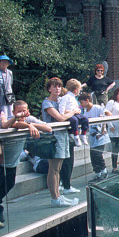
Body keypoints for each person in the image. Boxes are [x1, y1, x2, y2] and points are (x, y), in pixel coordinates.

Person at [0, 100, 52, 227]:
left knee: (9, 184)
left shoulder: (29, 119)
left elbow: (48, 128)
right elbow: (15, 125)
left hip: (12, 163)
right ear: (13, 112)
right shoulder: (10, 120)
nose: (22, 114)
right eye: (19, 111)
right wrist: (29, 126)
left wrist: (31, 124)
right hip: (0, 162)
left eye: (24, 111)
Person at [40, 78, 79, 207]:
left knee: (58, 168)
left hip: (63, 136)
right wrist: (73, 111)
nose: (57, 89)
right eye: (54, 86)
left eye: (59, 87)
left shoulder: (61, 101)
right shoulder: (48, 103)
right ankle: (54, 198)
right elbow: (61, 118)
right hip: (53, 137)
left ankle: (57, 195)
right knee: (54, 168)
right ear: (49, 88)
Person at [79, 93, 111, 181]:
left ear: (87, 101)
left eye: (82, 102)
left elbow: (108, 114)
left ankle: (104, 172)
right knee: (93, 155)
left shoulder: (97, 108)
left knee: (98, 154)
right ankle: (98, 173)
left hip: (101, 137)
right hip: (92, 138)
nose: (81, 105)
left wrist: (103, 125)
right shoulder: (85, 112)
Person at [104, 87, 119, 173]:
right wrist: (110, 125)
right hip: (114, 130)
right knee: (115, 149)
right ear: (116, 94)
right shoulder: (112, 102)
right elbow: (106, 112)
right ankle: (114, 167)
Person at [61, 79, 90, 147]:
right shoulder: (65, 98)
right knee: (74, 120)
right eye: (79, 90)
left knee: (85, 119)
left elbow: (76, 108)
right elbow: (62, 110)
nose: (80, 91)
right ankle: (76, 136)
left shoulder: (73, 98)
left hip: (75, 114)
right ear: (76, 90)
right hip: (69, 116)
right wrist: (72, 112)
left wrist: (78, 111)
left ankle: (83, 135)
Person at [0, 55, 15, 119]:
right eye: (2, 62)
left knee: (11, 111)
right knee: (3, 112)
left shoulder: (10, 72)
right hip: (0, 95)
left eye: (6, 62)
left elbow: (10, 83)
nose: (4, 64)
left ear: (8, 64)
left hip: (9, 94)